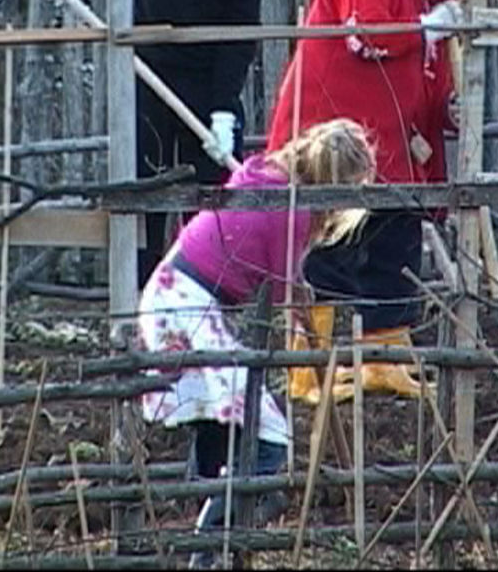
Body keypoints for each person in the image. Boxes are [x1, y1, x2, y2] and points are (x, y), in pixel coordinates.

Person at [134, 118, 375, 565]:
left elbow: (278, 275)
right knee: (268, 436)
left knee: (228, 424)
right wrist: (300, 301)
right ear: (336, 185)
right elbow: (284, 291)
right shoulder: (292, 207)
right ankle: (207, 551)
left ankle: (215, 519)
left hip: (173, 292)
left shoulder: (268, 174)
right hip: (186, 307)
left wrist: (296, 288)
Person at [266, 0, 468, 403]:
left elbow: (429, 80)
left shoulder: (436, 2)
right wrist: (428, 28)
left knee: (393, 248)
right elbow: (366, 36)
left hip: (392, 147)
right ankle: (306, 370)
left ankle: (383, 362)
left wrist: (448, 110)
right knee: (330, 250)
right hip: (335, 140)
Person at [30, 0, 264, 288]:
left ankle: (207, 295)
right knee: (147, 191)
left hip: (206, 86)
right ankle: (142, 299)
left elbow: (239, 41)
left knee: (213, 197)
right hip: (149, 76)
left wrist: (224, 113)